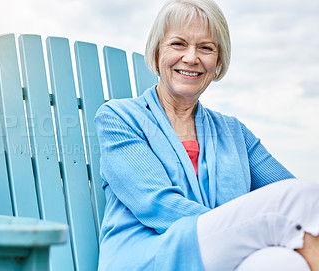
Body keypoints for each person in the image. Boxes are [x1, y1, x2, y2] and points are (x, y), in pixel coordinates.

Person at [94, 0, 319, 270]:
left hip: (223, 255)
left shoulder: (234, 132)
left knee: (283, 261)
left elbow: (291, 194)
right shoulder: (119, 118)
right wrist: (243, 229)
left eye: (206, 48)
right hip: (150, 256)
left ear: (218, 62)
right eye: (178, 44)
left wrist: (240, 232)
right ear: (156, 53)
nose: (191, 58)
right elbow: (157, 206)